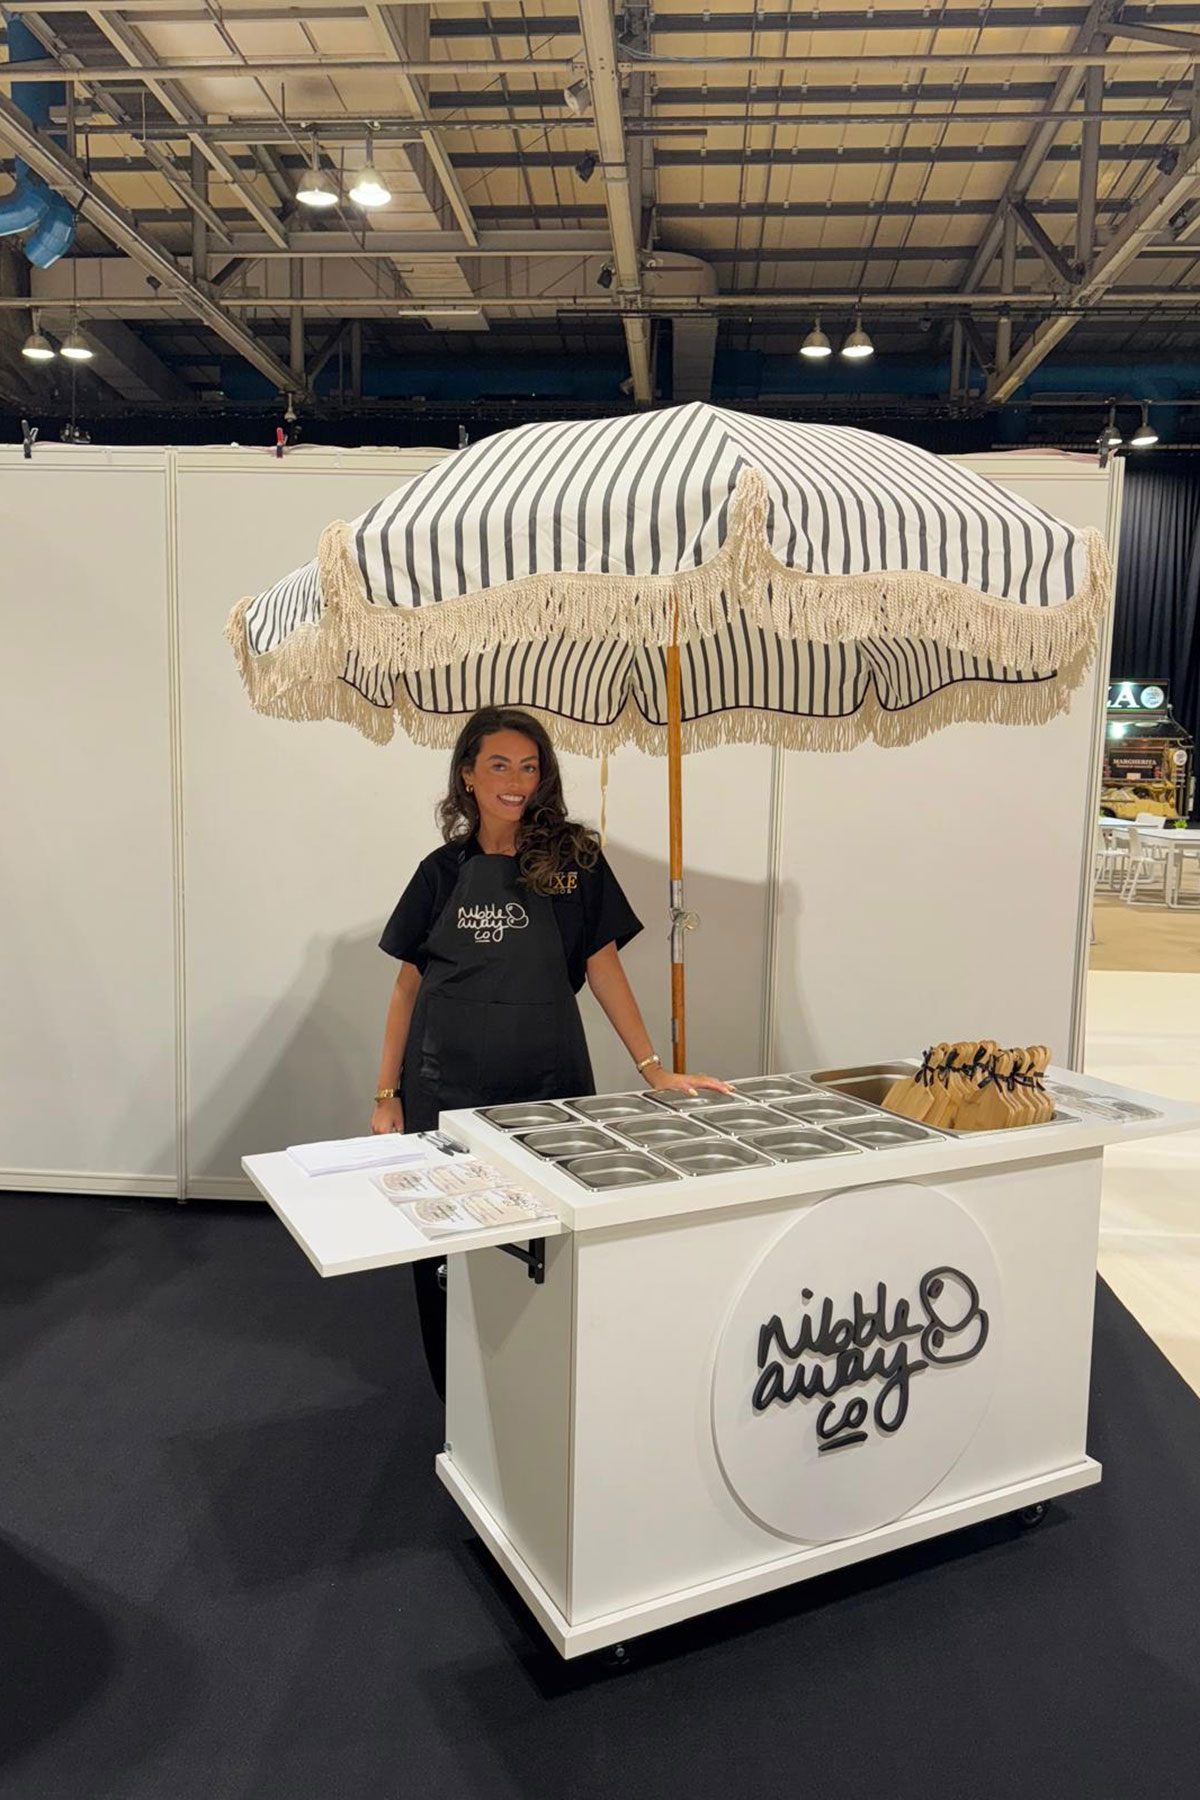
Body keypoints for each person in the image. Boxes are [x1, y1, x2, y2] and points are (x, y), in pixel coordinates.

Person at [371, 705, 733, 1397]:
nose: (516, 779)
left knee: (548, 1237)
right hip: (444, 1088)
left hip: (549, 1083)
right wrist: (386, 1095)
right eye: (500, 764)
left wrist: (652, 1067)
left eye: (530, 766)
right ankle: (457, 1395)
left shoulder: (575, 863)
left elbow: (603, 968)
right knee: (448, 1243)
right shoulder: (441, 873)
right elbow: (405, 988)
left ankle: (538, 1392)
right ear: (468, 775)